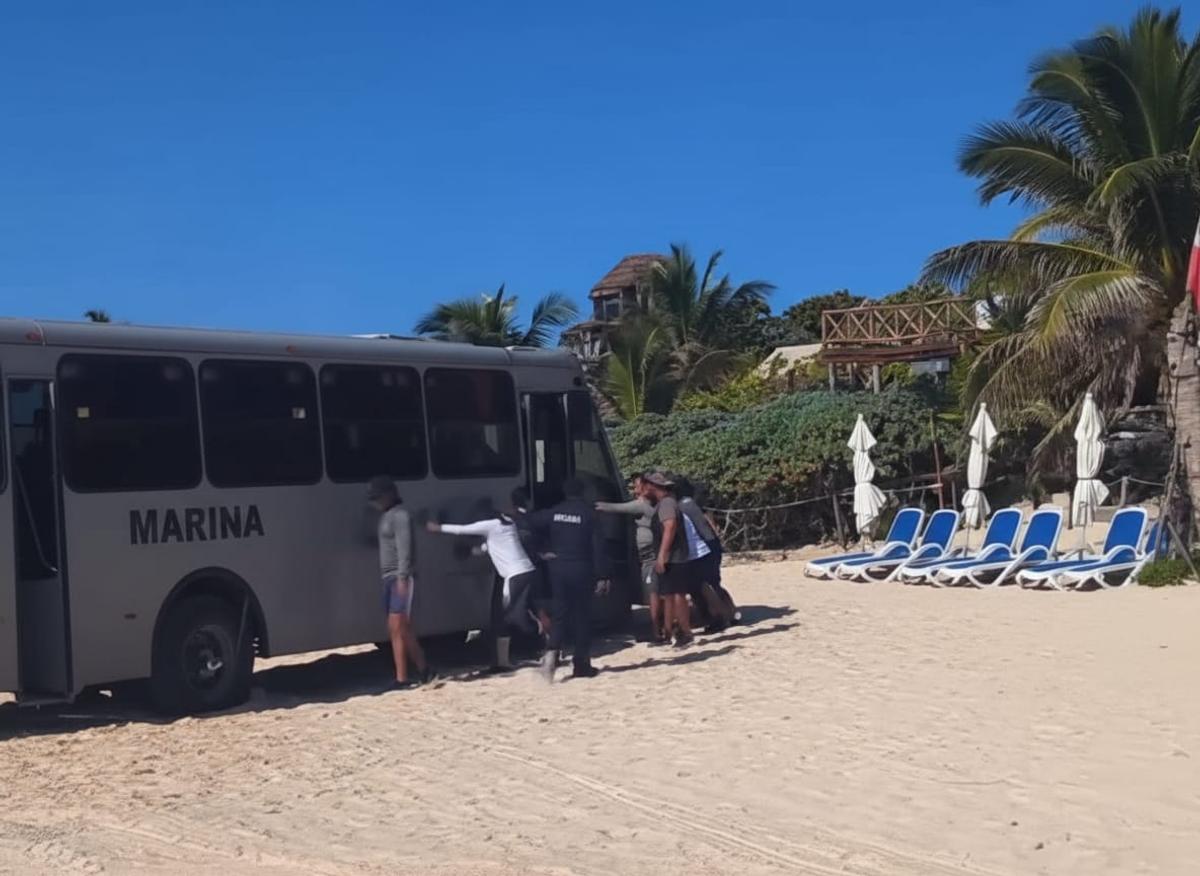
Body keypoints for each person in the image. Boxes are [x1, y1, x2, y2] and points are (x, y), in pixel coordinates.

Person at [426, 496, 540, 673]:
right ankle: (504, 660)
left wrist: (437, 528)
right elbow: (491, 548)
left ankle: (508, 659)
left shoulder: (491, 525)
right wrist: (471, 552)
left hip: (515, 575)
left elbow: (462, 530)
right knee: (506, 617)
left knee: (503, 619)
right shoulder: (506, 524)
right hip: (525, 572)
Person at [525, 477, 611, 681]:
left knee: (561, 614)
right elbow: (598, 547)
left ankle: (550, 658)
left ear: (565, 493)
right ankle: (581, 665)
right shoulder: (589, 515)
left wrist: (541, 550)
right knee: (582, 616)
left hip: (558, 569)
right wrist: (603, 575)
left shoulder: (554, 512)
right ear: (582, 492)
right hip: (581, 568)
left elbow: (530, 523)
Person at [367, 476, 431, 689]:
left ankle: (402, 678)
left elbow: (406, 548)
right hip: (388, 577)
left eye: (377, 497)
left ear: (389, 494)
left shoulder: (401, 515)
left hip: (399, 576)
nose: (375, 502)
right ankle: (424, 669)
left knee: (397, 627)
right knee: (401, 628)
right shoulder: (386, 517)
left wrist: (403, 577)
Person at [595, 474, 664, 643]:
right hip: (647, 555)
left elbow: (615, 508)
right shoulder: (649, 504)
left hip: (650, 556)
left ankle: (657, 630)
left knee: (653, 592)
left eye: (637, 486)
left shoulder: (641, 505)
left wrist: (591, 504)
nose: (634, 489)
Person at [642, 471, 694, 647]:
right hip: (672, 556)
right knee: (669, 595)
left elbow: (670, 527)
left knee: (678, 595)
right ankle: (669, 632)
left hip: (675, 557)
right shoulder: (664, 503)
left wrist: (662, 555)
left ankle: (685, 632)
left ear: (652, 486)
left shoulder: (666, 504)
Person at [677, 478, 736, 632]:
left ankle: (722, 616)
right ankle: (730, 614)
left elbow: (704, 529)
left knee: (707, 585)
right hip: (709, 546)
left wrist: (712, 548)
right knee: (712, 584)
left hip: (705, 547)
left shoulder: (685, 504)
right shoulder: (690, 503)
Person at [510, 487, 553, 640]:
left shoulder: (510, 521)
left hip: (519, 570)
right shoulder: (534, 519)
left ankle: (543, 638)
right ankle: (551, 643)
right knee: (538, 607)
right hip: (536, 569)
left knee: (523, 607)